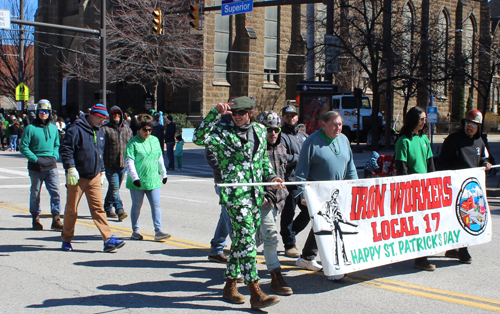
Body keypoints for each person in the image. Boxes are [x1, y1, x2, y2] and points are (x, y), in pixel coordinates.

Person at [193, 96, 283, 310]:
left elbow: (262, 160)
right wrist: (215, 113)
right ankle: (255, 291)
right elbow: (197, 138)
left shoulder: (260, 132)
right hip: (235, 196)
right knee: (248, 244)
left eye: (241, 113)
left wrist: (271, 178)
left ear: (250, 112)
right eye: (233, 114)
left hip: (254, 194)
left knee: (242, 242)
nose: (237, 117)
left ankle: (230, 285)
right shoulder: (222, 133)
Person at [295, 111, 357, 281]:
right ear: (323, 125)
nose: (338, 128)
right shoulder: (311, 142)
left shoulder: (343, 140)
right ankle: (334, 267)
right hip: (319, 193)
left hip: (340, 192)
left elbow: (350, 166)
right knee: (329, 227)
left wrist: (356, 187)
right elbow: (301, 172)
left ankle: (307, 257)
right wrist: (302, 193)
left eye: (340, 124)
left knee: (324, 226)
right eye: (334, 124)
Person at [59, 104, 126, 252]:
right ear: (93, 115)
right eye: (101, 118)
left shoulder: (100, 131)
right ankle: (66, 239)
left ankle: (108, 239)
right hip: (77, 177)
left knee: (98, 209)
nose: (103, 121)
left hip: (94, 175)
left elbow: (99, 152)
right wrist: (70, 168)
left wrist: (102, 171)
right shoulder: (75, 129)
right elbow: (66, 149)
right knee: (72, 210)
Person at [436, 109, 492, 264]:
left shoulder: (480, 142)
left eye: (473, 124)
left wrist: (486, 164)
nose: (470, 127)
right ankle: (461, 250)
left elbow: (485, 158)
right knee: (456, 218)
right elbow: (442, 163)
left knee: (468, 218)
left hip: (471, 189)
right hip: (454, 188)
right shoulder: (453, 140)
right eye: (468, 123)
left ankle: (458, 248)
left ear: (478, 127)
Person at [394, 106, 435, 271]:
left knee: (426, 223)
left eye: (425, 119)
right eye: (421, 119)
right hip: (412, 190)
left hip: (425, 188)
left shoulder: (424, 139)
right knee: (418, 224)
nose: (424, 122)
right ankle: (421, 258)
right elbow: (401, 168)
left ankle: (421, 255)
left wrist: (434, 183)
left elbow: (430, 164)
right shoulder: (403, 141)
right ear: (413, 120)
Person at [258, 110, 293, 295]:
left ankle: (237, 263)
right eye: (269, 129)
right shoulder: (255, 149)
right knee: (271, 236)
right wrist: (259, 193)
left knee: (257, 238)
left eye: (276, 129)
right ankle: (276, 277)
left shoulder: (282, 146)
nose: (273, 133)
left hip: (278, 200)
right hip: (262, 200)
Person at [125, 114, 170, 241]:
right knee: (137, 206)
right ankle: (135, 230)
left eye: (150, 130)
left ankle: (158, 230)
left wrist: (163, 173)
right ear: (139, 129)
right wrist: (134, 177)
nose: (148, 132)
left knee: (156, 205)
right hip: (138, 180)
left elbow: (159, 157)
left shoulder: (155, 140)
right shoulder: (133, 142)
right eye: (145, 129)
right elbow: (129, 161)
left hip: (152, 178)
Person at [19, 99, 63, 231]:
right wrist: (34, 159)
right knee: (35, 193)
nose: (44, 113)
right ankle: (35, 218)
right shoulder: (30, 128)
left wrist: (55, 156)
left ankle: (56, 218)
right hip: (36, 165)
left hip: (51, 165)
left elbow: (56, 144)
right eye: (41, 111)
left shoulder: (53, 128)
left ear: (50, 113)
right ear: (37, 112)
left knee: (56, 192)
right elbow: (23, 147)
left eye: (46, 111)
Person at [279, 105, 309, 258]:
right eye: (287, 116)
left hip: (304, 181)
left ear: (297, 117)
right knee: (288, 212)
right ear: (283, 117)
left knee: (308, 211)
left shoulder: (303, 136)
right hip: (288, 180)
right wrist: (302, 159)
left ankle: (290, 233)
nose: (290, 118)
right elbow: (282, 157)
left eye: (293, 115)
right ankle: (289, 244)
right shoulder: (280, 135)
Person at [101, 106, 134, 221]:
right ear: (110, 115)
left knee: (114, 188)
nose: (116, 116)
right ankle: (119, 209)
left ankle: (107, 207)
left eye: (118, 114)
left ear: (121, 115)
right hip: (109, 164)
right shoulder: (104, 129)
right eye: (114, 114)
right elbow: (100, 147)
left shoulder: (127, 129)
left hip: (122, 165)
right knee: (114, 187)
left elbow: (131, 145)